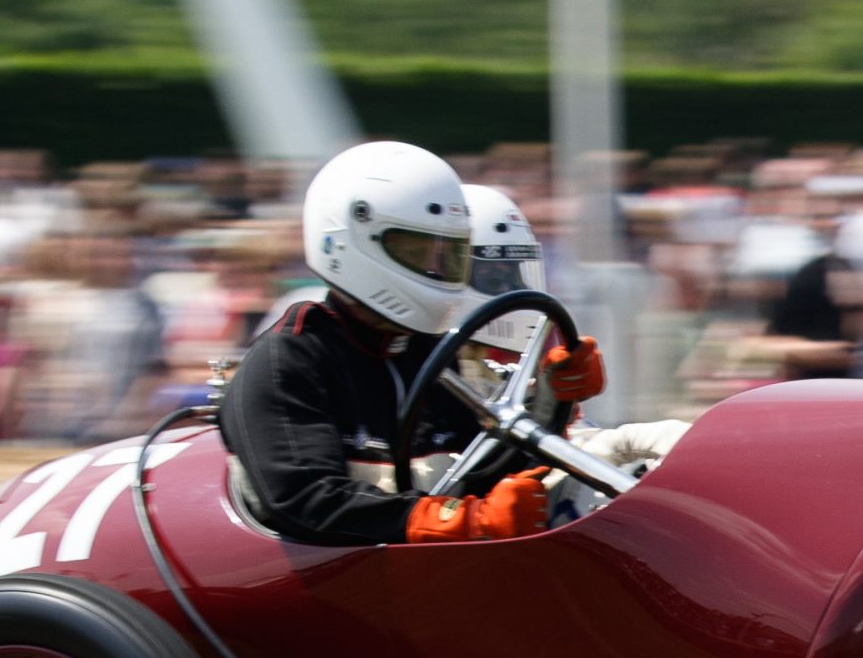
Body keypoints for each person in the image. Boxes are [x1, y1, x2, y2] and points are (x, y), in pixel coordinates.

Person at [218, 143, 605, 546]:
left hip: (412, 582)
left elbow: (479, 470)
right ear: (350, 240)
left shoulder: (422, 352)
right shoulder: (290, 358)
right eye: (416, 250)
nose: (436, 268)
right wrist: (459, 522)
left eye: (447, 253)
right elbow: (302, 500)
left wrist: (551, 401)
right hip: (318, 592)